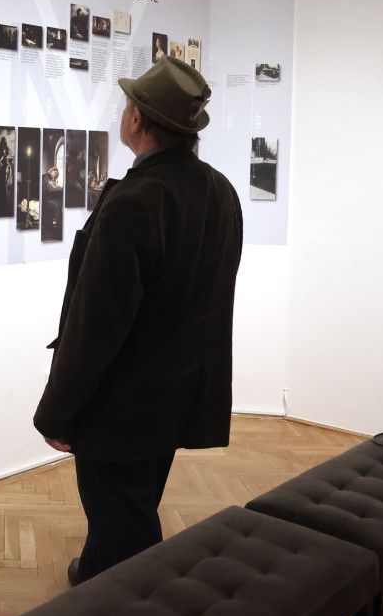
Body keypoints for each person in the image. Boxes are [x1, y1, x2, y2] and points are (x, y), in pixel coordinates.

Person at [34, 56, 243, 587]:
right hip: (176, 397)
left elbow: (95, 325)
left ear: (137, 120)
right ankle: (95, 572)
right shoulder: (220, 191)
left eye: (127, 106)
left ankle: (141, 598)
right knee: (129, 503)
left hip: (120, 407)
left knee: (129, 529)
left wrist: (57, 413)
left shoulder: (134, 201)